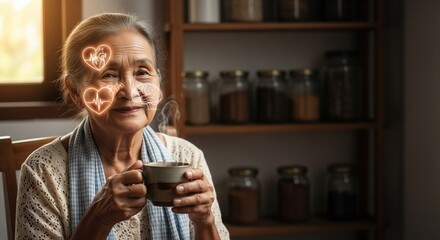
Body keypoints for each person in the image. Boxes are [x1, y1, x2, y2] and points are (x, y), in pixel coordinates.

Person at [15, 12, 229, 240]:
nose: (129, 91)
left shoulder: (187, 157)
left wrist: (205, 221)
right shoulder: (43, 171)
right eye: (108, 75)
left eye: (142, 73)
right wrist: (97, 219)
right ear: (75, 92)